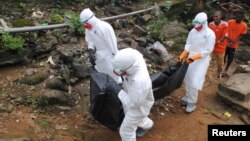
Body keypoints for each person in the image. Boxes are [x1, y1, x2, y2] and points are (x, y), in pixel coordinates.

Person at [108, 48, 154, 141]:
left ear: (129, 68)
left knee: (126, 130)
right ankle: (148, 124)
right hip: (133, 93)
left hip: (138, 107)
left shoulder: (140, 81)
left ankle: (144, 124)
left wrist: (118, 91)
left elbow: (133, 104)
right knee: (134, 117)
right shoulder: (133, 57)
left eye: (122, 71)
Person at [178, 12, 215, 113]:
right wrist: (183, 54)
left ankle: (192, 103)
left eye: (198, 25)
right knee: (188, 78)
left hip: (202, 60)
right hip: (191, 58)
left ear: (204, 23)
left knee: (194, 81)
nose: (196, 27)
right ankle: (188, 96)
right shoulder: (193, 32)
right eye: (195, 24)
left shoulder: (210, 34)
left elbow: (208, 50)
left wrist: (195, 57)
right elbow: (189, 44)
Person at [80, 8, 121, 83]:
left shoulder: (105, 27)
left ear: (90, 19)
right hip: (99, 56)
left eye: (85, 22)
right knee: (102, 73)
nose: (84, 25)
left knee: (113, 75)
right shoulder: (88, 29)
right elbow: (90, 40)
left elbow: (112, 43)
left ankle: (117, 88)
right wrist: (90, 50)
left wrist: (115, 56)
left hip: (109, 56)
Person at [223, 10, 248, 76]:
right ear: (235, 16)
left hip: (234, 45)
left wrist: (234, 41)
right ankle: (222, 67)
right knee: (223, 56)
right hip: (225, 43)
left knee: (230, 58)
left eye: (240, 17)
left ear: (242, 18)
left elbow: (242, 35)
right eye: (237, 17)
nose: (238, 18)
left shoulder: (244, 25)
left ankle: (226, 69)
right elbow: (225, 30)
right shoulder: (230, 22)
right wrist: (228, 38)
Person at [209, 11, 228, 78]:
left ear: (220, 16)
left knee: (220, 64)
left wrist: (217, 42)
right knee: (207, 60)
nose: (215, 18)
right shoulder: (210, 24)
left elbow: (225, 36)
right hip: (211, 46)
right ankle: (204, 74)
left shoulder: (225, 24)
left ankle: (218, 73)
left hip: (221, 47)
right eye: (214, 16)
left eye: (216, 16)